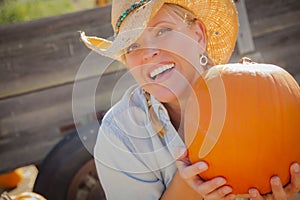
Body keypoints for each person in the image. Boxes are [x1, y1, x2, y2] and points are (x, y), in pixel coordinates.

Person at [80, 0, 300, 199]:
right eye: (133, 46)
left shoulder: (265, 96)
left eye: (162, 30)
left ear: (198, 35)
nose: (148, 53)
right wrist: (189, 187)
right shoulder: (119, 134)